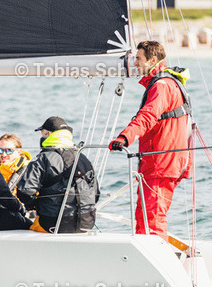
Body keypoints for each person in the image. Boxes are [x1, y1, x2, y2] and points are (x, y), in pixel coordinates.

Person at [110, 40, 192, 236]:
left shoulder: (162, 86)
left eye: (138, 58)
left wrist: (124, 138)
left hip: (161, 162)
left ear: (152, 60)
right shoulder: (166, 83)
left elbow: (147, 116)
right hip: (162, 161)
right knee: (144, 216)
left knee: (152, 219)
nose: (135, 63)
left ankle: (158, 259)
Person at [16, 117, 99, 233]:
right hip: (85, 223)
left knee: (27, 226)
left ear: (48, 133)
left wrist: (34, 205)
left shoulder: (42, 158)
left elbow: (25, 191)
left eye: (42, 134)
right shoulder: (83, 158)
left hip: (51, 223)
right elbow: (96, 193)